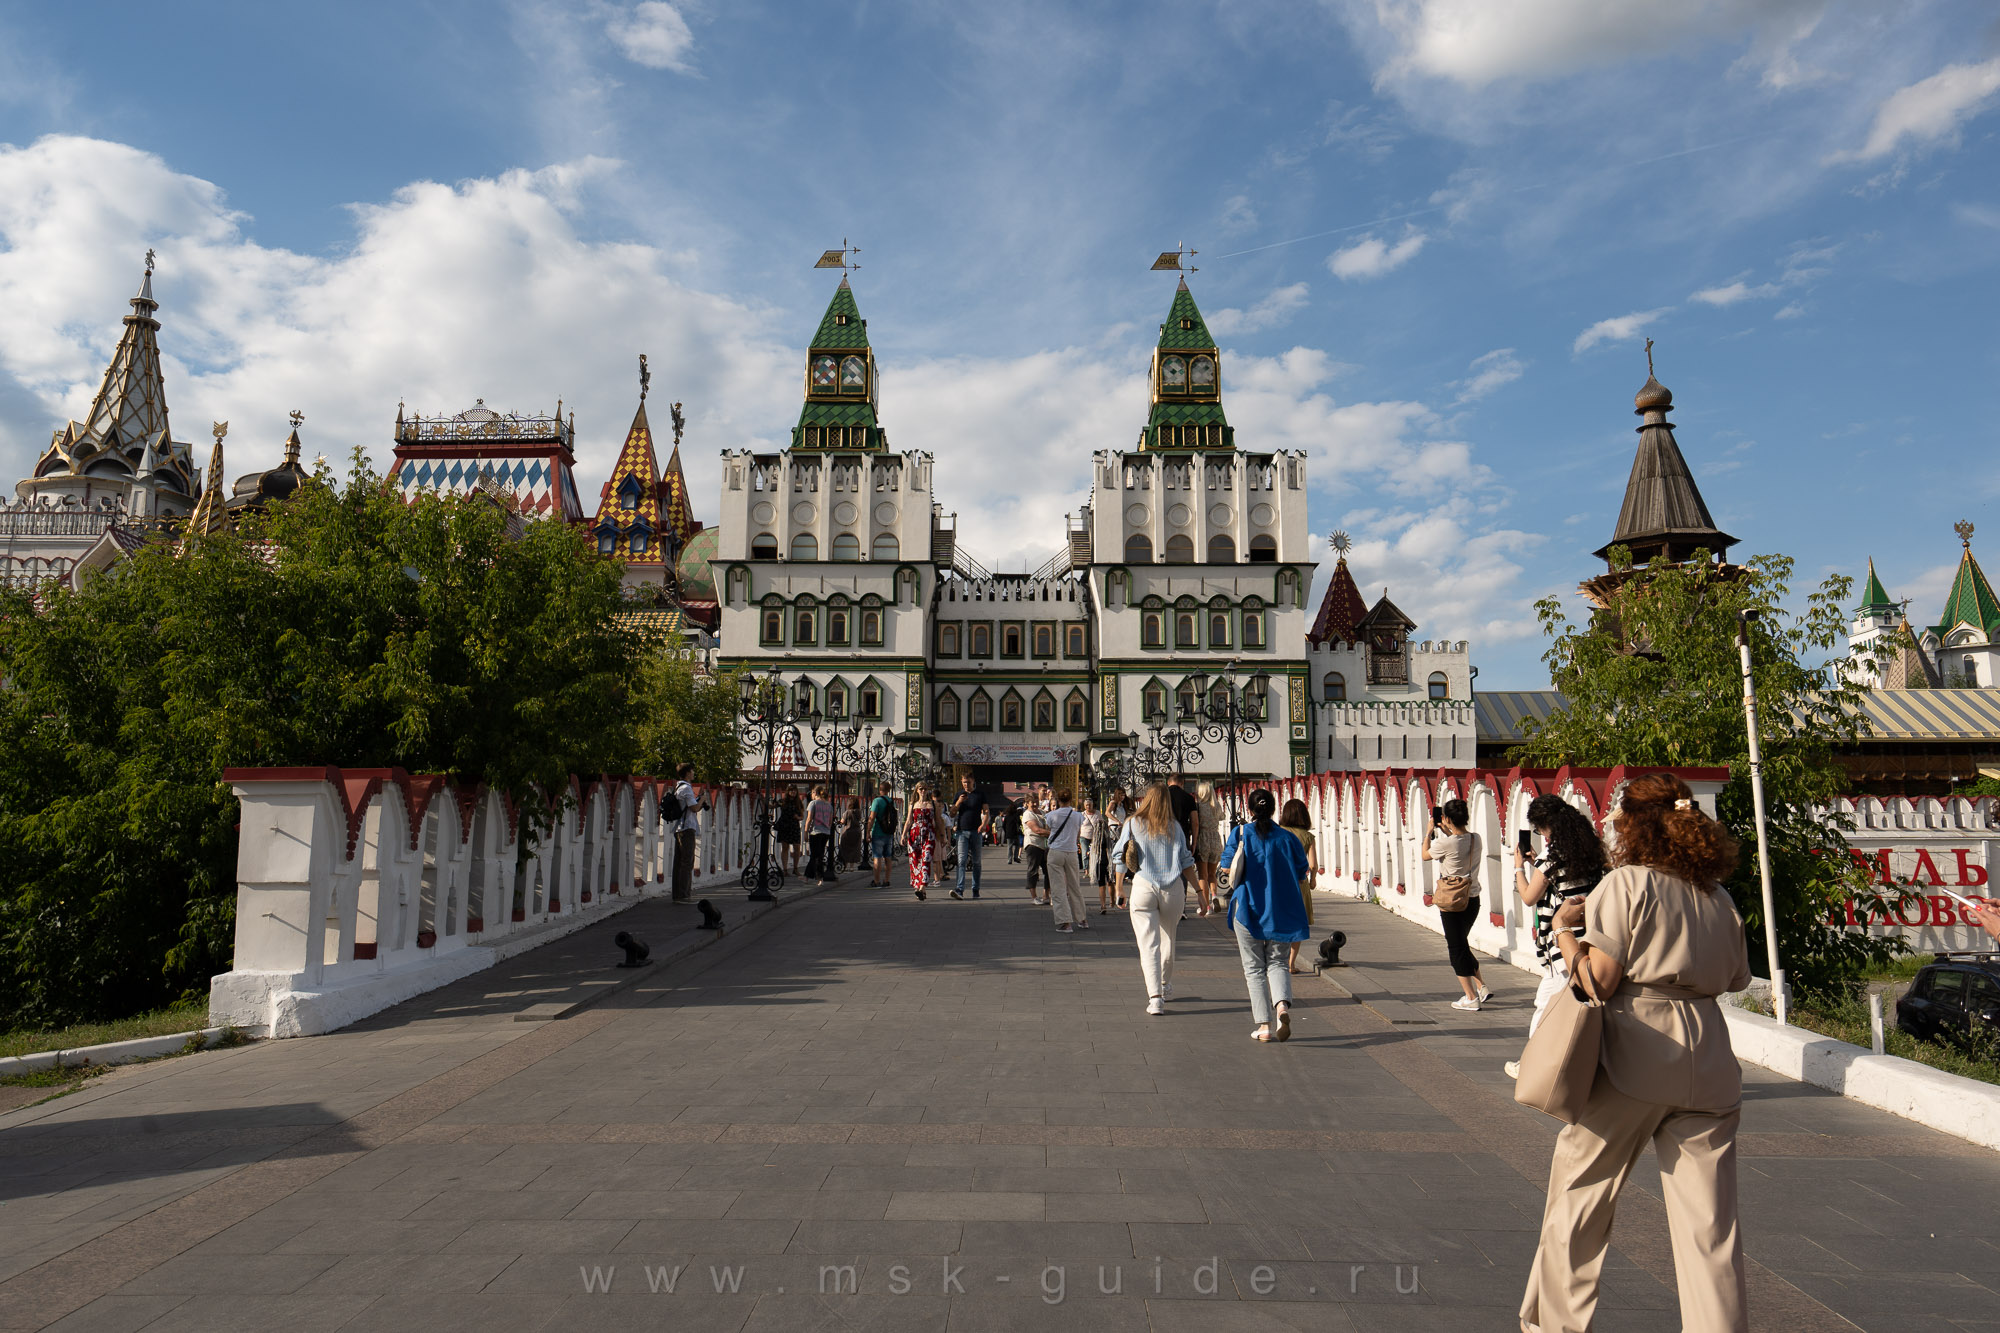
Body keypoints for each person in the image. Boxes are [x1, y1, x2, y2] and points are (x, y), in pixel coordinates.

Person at [1521, 772, 1753, 1333]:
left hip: (1637, 1052)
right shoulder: (1717, 896)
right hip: (1709, 1058)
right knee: (1711, 1229)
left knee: (1580, 1200)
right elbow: (1739, 978)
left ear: (1631, 824)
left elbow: (1598, 980)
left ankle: (1553, 1326)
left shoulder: (1628, 884)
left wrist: (1566, 933)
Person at [1505, 793, 1610, 1080]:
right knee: (1574, 1002)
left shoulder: (1551, 858)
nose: (1540, 834)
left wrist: (1518, 866)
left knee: (1547, 1004)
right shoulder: (1589, 850)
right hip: (1592, 938)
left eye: (1539, 830)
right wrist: (1536, 862)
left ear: (1545, 827)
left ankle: (1530, 1065)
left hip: (1563, 942)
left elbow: (1528, 896)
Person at [1220, 789, 1311, 1042]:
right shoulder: (1288, 838)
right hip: (1280, 911)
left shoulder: (1241, 834)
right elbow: (1303, 873)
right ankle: (1282, 1006)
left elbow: (1226, 867)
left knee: (1253, 969)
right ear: (1273, 809)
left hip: (1247, 909)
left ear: (1250, 810)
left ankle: (1264, 1026)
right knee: (1278, 962)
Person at [1111, 782, 1198, 1014]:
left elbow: (1120, 855)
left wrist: (1119, 888)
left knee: (1148, 943)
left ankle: (1155, 998)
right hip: (1173, 889)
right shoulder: (1175, 827)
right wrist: (1201, 893)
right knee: (1169, 938)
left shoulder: (1132, 823)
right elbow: (1187, 861)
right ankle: (1164, 984)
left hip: (1143, 886)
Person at [1422, 798, 1490, 1012]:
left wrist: (1429, 832)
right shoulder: (1476, 839)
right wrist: (1448, 829)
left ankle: (1470, 997)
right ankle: (1481, 987)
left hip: (1452, 901)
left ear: (1447, 818)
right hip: (1472, 898)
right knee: (1462, 942)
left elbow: (1425, 855)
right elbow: (1459, 843)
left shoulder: (1444, 843)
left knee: (1455, 947)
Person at [1279, 799, 1321, 973]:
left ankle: (1278, 960)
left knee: (1281, 920)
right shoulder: (1308, 836)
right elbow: (1312, 864)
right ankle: (1291, 963)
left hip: (1280, 883)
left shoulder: (1279, 833)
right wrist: (1312, 880)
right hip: (1300, 884)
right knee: (1298, 924)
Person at [1043, 790, 1087, 933]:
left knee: (1058, 888)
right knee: (1075, 886)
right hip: (1072, 851)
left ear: (1058, 800)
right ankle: (1082, 919)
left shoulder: (1050, 815)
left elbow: (1049, 831)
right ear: (1071, 799)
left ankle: (1065, 923)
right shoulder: (1078, 816)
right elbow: (1078, 833)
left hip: (1056, 851)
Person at [949, 774, 991, 900]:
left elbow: (986, 811)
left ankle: (975, 889)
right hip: (962, 831)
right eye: (964, 782)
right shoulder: (959, 795)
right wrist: (958, 802)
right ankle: (960, 889)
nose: (966, 784)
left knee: (976, 862)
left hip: (976, 831)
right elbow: (951, 813)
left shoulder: (980, 794)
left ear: (973, 781)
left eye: (968, 782)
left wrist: (984, 824)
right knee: (961, 861)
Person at [902, 782, 946, 901]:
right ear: (916, 790)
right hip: (914, 835)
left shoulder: (932, 804)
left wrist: (943, 836)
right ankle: (921, 890)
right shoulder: (913, 804)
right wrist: (903, 834)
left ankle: (921, 887)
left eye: (925, 789)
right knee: (916, 861)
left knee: (926, 859)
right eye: (921, 789)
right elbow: (909, 820)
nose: (923, 791)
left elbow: (938, 820)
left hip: (929, 835)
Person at [669, 763, 706, 902]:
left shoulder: (678, 787)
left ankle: (677, 894)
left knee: (679, 862)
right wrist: (702, 799)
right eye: (692, 770)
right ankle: (684, 895)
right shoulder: (686, 788)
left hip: (679, 828)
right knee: (687, 862)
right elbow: (695, 808)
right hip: (686, 828)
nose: (694, 773)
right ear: (687, 773)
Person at [1193, 780, 1225, 915]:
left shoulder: (1198, 807)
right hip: (1216, 840)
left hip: (1203, 840)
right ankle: (1215, 896)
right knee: (1212, 874)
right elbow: (1222, 817)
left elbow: (1195, 823)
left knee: (1202, 875)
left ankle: (1206, 907)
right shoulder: (1216, 806)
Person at [1083, 797, 1114, 914]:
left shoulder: (1095, 840)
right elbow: (1110, 849)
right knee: (1110, 882)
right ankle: (1111, 901)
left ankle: (1103, 905)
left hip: (1099, 862)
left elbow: (1093, 851)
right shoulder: (1108, 839)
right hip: (1108, 862)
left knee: (1101, 884)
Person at [1104, 789, 1131, 907]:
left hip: (1122, 828)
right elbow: (1107, 813)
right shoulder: (1113, 803)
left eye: (1124, 795)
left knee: (1124, 849)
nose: (1123, 797)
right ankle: (1114, 871)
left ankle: (1121, 871)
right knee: (1117, 850)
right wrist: (1117, 821)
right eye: (1121, 794)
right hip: (1114, 828)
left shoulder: (1123, 805)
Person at [1023, 795, 1051, 904]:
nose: (1034, 804)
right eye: (1032, 802)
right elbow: (1037, 830)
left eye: (1036, 801)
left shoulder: (1042, 812)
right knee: (1033, 870)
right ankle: (1034, 897)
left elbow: (1048, 825)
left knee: (1048, 870)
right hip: (1033, 844)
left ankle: (1046, 895)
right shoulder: (1027, 814)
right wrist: (1053, 834)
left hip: (1045, 845)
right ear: (1027, 803)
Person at [805, 785, 835, 884]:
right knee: (819, 853)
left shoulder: (813, 803)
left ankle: (819, 877)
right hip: (825, 832)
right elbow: (830, 821)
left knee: (815, 855)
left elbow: (809, 819)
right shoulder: (829, 805)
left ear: (815, 793)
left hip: (815, 832)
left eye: (812, 793)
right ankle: (808, 876)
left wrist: (805, 831)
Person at [867, 788, 897, 887]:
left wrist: (868, 832)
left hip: (878, 832)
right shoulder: (891, 801)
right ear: (888, 790)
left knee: (877, 857)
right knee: (888, 857)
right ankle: (886, 880)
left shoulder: (877, 801)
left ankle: (876, 881)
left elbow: (872, 817)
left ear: (880, 790)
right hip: (889, 833)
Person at [776, 791, 804, 876]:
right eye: (791, 790)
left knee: (797, 846)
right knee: (785, 847)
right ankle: (785, 869)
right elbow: (772, 806)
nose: (792, 792)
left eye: (794, 790)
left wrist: (798, 817)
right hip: (784, 825)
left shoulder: (798, 802)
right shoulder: (783, 801)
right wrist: (763, 800)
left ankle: (795, 868)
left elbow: (802, 816)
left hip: (794, 826)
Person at [837, 796, 862, 875]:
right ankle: (852, 867)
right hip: (857, 832)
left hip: (848, 832)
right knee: (855, 849)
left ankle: (846, 866)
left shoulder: (847, 812)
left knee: (846, 849)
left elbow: (842, 822)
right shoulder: (859, 812)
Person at [1003, 799, 1024, 863]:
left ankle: (1009, 859)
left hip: (1009, 833)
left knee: (1009, 847)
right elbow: (1019, 823)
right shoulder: (1016, 816)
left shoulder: (1007, 816)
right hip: (1015, 833)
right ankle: (1015, 857)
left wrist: (1006, 831)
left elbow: (1003, 825)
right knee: (1017, 845)